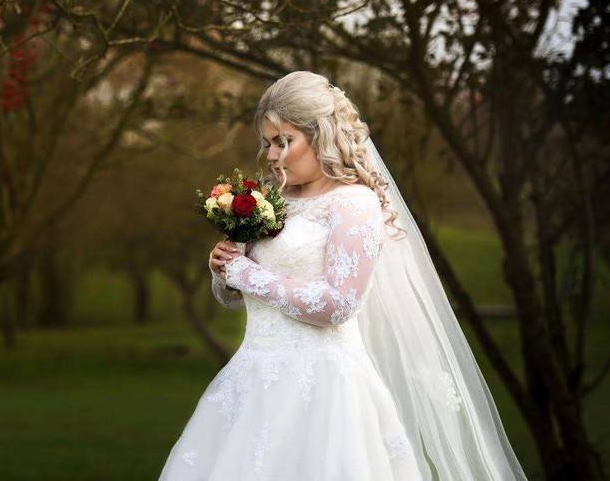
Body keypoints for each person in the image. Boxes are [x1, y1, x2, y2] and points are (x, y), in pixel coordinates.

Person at [158, 71, 527, 480]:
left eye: (285, 141)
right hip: (252, 384)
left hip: (323, 393)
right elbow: (239, 298)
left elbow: (339, 304)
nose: (274, 155)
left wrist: (247, 275)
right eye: (268, 143)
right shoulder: (273, 201)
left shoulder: (353, 204)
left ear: (322, 136)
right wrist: (224, 271)